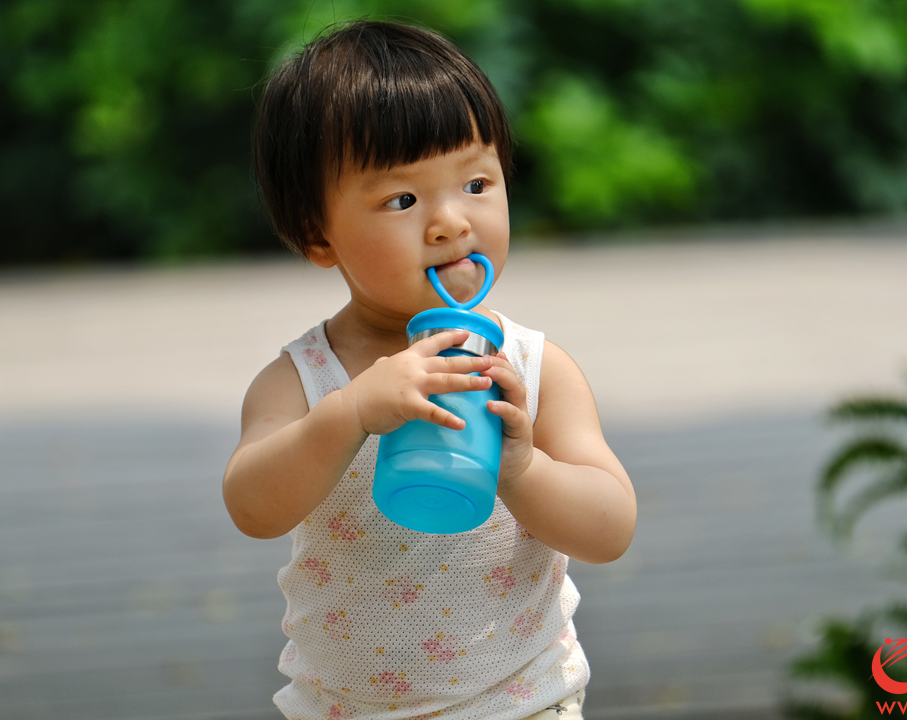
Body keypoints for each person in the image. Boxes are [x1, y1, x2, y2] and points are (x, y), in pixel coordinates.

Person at [223, 20, 636, 720]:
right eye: (403, 200)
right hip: (344, 707)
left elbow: (611, 528)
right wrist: (351, 412)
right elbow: (252, 507)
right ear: (318, 234)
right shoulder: (305, 380)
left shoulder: (533, 369)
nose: (450, 222)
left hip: (523, 700)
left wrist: (523, 470)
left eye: (476, 183)